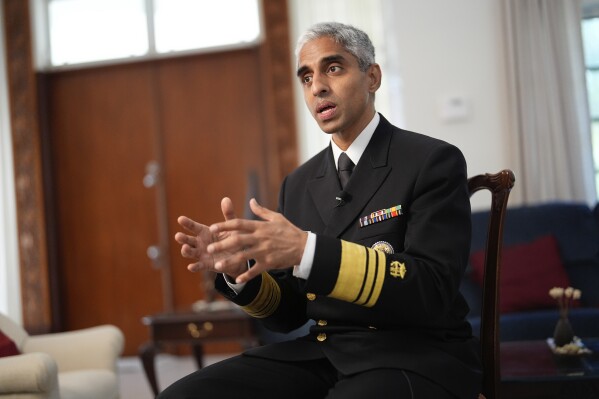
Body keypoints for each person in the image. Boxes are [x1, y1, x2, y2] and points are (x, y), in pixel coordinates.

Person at [161, 22, 481, 399]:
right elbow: (288, 314)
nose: (317, 87)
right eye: (306, 77)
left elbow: (431, 289)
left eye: (334, 68)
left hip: (415, 354)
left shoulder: (431, 160)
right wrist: (240, 273)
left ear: (372, 77)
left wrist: (306, 250)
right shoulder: (298, 183)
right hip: (326, 352)